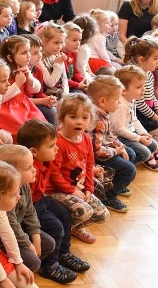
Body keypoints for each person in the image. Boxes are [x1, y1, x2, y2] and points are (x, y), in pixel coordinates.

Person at [17, 120, 88, 284]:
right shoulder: (28, 171)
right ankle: (50, 265)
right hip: (31, 207)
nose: (56, 148)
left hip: (41, 200)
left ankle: (64, 253)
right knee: (55, 226)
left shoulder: (47, 160)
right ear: (34, 152)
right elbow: (26, 206)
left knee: (65, 214)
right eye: (51, 146)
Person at [46, 94, 110, 245]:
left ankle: (74, 227)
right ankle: (64, 231)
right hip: (55, 190)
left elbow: (89, 165)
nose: (79, 122)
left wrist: (89, 188)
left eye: (85, 117)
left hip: (77, 188)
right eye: (73, 117)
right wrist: (71, 190)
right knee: (85, 211)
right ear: (61, 118)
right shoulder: (59, 142)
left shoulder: (86, 139)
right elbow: (54, 174)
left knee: (103, 215)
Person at [0, 145, 56, 274]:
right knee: (34, 262)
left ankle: (26, 269)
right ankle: (15, 273)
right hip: (3, 238)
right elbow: (11, 225)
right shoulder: (4, 195)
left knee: (48, 243)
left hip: (19, 231)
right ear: (12, 173)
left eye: (33, 165)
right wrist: (28, 244)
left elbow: (30, 212)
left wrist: (35, 237)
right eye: (28, 168)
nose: (34, 170)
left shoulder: (25, 186)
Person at [86, 76, 136, 213]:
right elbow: (96, 151)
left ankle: (115, 185)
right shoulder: (97, 119)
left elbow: (109, 135)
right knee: (130, 170)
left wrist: (119, 145)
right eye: (117, 99)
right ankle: (109, 197)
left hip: (105, 148)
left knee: (130, 153)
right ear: (103, 101)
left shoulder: (103, 113)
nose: (119, 103)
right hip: (97, 156)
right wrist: (116, 151)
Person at [124, 37, 158, 151]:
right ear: (142, 60)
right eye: (155, 58)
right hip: (139, 113)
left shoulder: (149, 73)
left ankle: (153, 149)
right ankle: (149, 150)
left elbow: (152, 96)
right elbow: (140, 104)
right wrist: (156, 117)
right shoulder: (134, 75)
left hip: (149, 110)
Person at [112, 65, 158, 171]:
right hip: (119, 137)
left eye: (143, 86)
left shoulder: (132, 99)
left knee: (153, 145)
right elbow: (119, 130)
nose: (143, 90)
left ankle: (128, 165)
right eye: (139, 87)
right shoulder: (120, 105)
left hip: (129, 133)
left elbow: (134, 119)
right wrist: (139, 138)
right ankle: (122, 169)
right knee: (145, 153)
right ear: (124, 90)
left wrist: (143, 133)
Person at [0, 36, 45, 140]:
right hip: (8, 109)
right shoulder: (3, 73)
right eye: (24, 53)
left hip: (25, 105)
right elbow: (0, 98)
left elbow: (36, 89)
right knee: (22, 132)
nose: (28, 56)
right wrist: (17, 84)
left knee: (41, 127)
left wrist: (30, 78)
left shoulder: (24, 68)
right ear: (10, 58)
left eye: (29, 52)